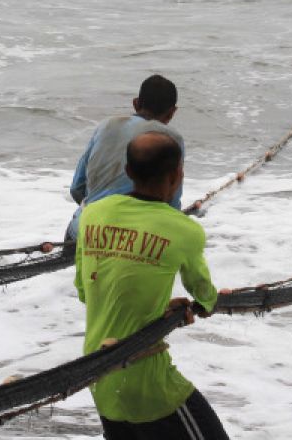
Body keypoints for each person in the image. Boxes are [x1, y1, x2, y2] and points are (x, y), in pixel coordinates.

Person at [75, 131, 228, 440]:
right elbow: (205, 296)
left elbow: (83, 289)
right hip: (149, 383)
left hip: (98, 373)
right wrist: (195, 305)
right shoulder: (184, 230)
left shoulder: (91, 215)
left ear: (128, 172)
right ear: (178, 175)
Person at [65, 74, 183, 242]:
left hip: (82, 232)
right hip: (134, 242)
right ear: (172, 112)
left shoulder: (106, 125)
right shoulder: (172, 140)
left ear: (136, 103)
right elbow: (171, 202)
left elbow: (77, 188)